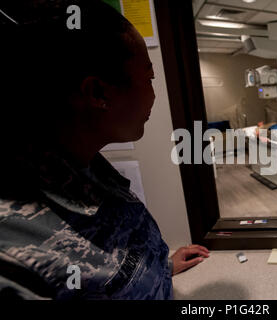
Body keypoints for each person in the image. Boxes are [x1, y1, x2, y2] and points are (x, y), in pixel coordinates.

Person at [0, 0, 209, 300]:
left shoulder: (84, 164)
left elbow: (110, 271)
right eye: (149, 78)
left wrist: (158, 268)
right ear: (99, 93)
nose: (153, 94)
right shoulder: (13, 258)